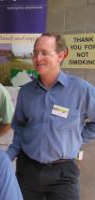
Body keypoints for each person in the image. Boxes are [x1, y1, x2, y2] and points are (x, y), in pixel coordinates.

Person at [7, 32, 95, 200]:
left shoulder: (81, 90)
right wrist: (8, 155)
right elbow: (20, 127)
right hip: (28, 170)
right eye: (35, 52)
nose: (37, 58)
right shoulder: (26, 92)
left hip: (63, 174)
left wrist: (76, 137)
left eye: (44, 52)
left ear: (61, 55)